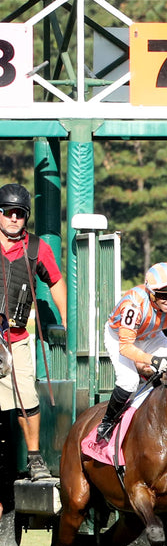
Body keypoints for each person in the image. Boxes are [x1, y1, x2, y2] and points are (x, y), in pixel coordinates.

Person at [0, 183, 67, 481]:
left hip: (16, 340)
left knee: (27, 398)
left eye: (19, 214)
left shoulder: (38, 248)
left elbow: (55, 281)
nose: (13, 219)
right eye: (8, 212)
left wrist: (65, 319)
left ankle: (35, 457)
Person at [94, 262, 167, 447]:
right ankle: (106, 422)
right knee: (128, 381)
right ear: (151, 292)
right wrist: (153, 360)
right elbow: (126, 348)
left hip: (151, 334)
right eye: (164, 294)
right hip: (121, 338)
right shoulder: (134, 305)